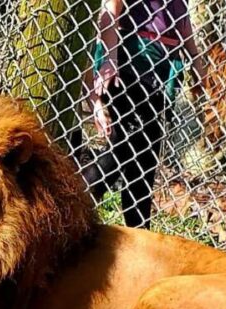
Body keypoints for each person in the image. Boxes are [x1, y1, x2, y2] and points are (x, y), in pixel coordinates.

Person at [82, 0, 205, 228]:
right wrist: (110, 59)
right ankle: (74, 209)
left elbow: (181, 17)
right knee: (122, 147)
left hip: (159, 67)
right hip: (130, 62)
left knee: (144, 158)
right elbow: (110, 11)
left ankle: (139, 231)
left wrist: (195, 57)